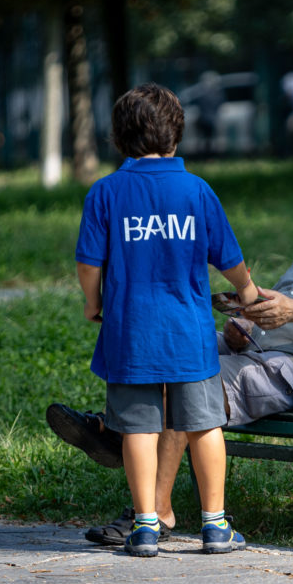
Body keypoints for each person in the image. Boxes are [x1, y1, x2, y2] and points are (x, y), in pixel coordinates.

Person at [48, 156, 293, 546]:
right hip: (256, 351)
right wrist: (246, 323)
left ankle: (147, 498)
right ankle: (120, 435)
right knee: (164, 345)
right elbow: (272, 307)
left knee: (184, 380)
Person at [74, 82, 258, 557]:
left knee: (138, 428)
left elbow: (89, 263)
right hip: (189, 334)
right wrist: (247, 290)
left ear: (119, 138)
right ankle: (215, 526)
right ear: (176, 135)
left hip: (129, 334)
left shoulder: (105, 192)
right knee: (205, 426)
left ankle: (145, 527)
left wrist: (93, 303)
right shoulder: (196, 190)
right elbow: (229, 257)